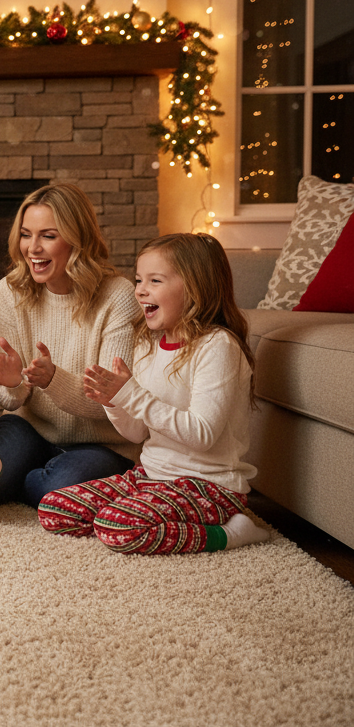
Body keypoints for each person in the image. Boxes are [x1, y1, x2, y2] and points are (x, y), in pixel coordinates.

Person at [37, 233, 271, 555]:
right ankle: (143, 515)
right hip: (149, 476)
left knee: (117, 526)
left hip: (209, 486)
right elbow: (137, 433)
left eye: (155, 280)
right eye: (138, 280)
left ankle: (232, 533)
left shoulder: (218, 347)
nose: (140, 290)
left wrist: (131, 395)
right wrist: (114, 402)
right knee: (54, 507)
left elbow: (202, 434)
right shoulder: (148, 345)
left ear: (194, 288)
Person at [0, 182, 141, 507]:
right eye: (26, 234)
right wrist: (14, 383)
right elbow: (9, 399)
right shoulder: (10, 291)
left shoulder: (118, 296)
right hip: (30, 427)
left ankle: (41, 478)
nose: (32, 247)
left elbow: (112, 402)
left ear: (77, 238)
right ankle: (29, 474)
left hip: (102, 443)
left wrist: (53, 380)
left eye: (48, 235)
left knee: (54, 489)